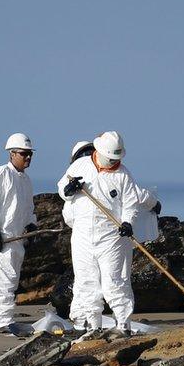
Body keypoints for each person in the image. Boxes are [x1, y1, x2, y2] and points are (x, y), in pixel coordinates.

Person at [57, 131, 142, 336]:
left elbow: (131, 203)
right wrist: (69, 189)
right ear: (99, 151)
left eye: (117, 158)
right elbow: (61, 188)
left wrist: (128, 222)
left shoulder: (123, 174)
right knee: (86, 280)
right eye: (111, 158)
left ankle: (123, 324)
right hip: (83, 234)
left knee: (114, 280)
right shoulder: (80, 166)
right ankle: (93, 325)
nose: (114, 162)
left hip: (112, 236)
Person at [0, 133, 37, 335]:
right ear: (12, 153)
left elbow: (29, 208)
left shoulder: (26, 180)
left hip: (16, 238)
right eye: (24, 154)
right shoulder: (0, 174)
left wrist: (31, 226)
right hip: (0, 237)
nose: (28, 158)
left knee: (10, 279)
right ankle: (1, 320)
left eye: (30, 154)